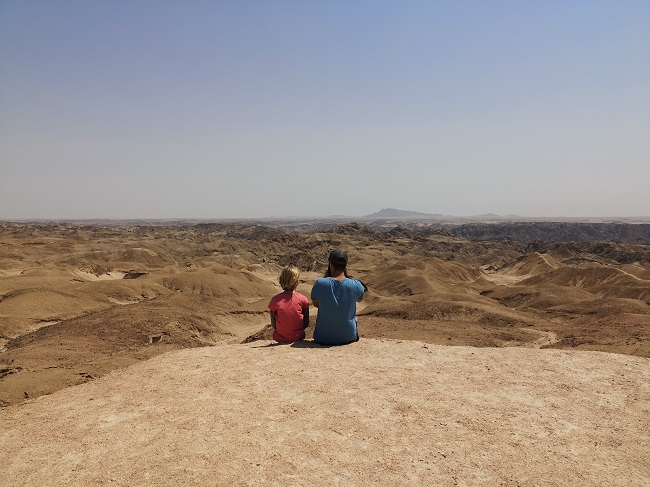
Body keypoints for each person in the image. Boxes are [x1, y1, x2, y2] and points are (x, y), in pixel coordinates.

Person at [311, 250, 365, 345]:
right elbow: (359, 300)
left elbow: (316, 304)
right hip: (348, 338)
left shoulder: (320, 283)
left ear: (330, 264)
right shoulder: (356, 285)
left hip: (322, 338)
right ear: (346, 266)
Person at [268, 266, 310, 342]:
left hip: (279, 338)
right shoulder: (303, 299)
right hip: (298, 337)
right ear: (296, 281)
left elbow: (274, 324)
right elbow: (306, 323)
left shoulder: (274, 300)